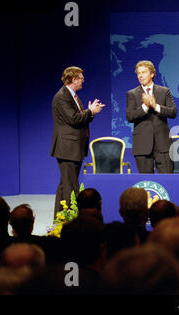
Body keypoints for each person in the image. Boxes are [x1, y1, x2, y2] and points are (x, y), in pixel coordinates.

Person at [51, 66, 105, 216]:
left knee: (64, 185)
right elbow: (73, 119)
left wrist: (90, 113)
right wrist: (90, 111)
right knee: (70, 187)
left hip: (74, 148)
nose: (83, 80)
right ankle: (72, 220)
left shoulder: (73, 96)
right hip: (67, 148)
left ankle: (59, 219)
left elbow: (79, 118)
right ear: (74, 79)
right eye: (81, 78)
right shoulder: (62, 96)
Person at [126, 60, 177, 173]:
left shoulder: (164, 91)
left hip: (163, 145)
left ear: (152, 74)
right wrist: (145, 106)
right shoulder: (132, 94)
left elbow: (173, 112)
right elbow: (130, 116)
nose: (140, 75)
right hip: (142, 145)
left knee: (167, 181)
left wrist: (155, 106)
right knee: (146, 182)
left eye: (143, 72)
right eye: (138, 73)